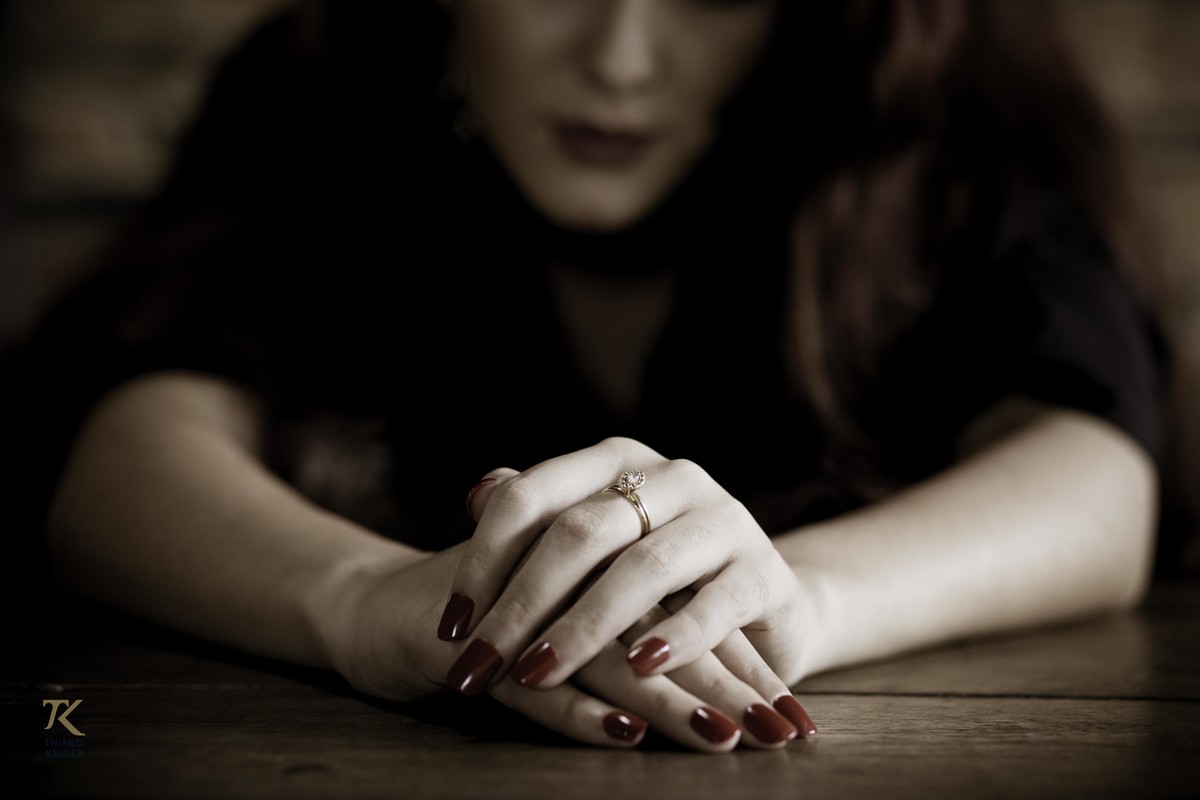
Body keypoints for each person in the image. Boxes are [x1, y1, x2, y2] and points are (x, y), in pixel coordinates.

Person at [1, 0, 1169, 753]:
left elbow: (1094, 469)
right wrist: (362, 597)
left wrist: (791, 600)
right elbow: (125, 456)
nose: (619, 59)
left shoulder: (931, 110)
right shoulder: (331, 86)